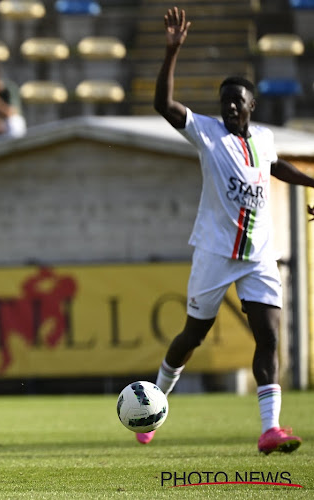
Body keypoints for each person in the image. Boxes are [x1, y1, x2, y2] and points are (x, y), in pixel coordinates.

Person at [145, 7, 312, 454]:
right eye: (225, 101)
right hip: (215, 253)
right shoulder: (206, 132)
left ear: (252, 106)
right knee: (192, 336)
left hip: (258, 254)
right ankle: (153, 407)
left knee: (270, 336)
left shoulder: (263, 139)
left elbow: (274, 167)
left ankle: (269, 429)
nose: (231, 105)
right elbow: (163, 105)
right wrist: (171, 52)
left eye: (238, 100)